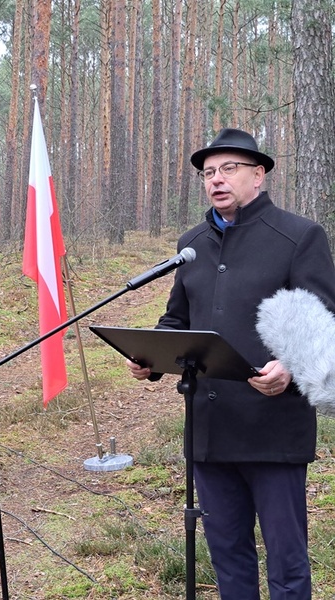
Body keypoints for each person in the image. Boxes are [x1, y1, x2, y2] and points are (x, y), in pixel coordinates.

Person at [126, 128, 335, 599]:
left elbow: (324, 324)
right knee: (227, 557)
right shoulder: (192, 244)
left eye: (229, 169)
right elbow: (177, 319)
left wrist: (288, 364)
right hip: (210, 429)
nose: (216, 180)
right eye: (208, 173)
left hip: (273, 427)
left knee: (286, 561)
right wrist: (150, 357)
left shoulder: (299, 236)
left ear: (258, 175)